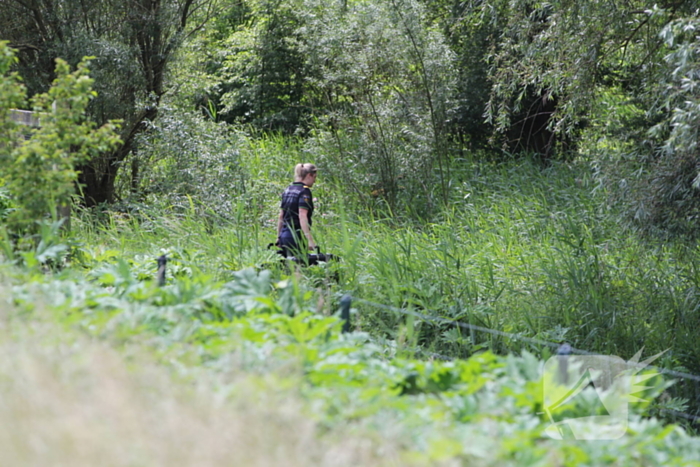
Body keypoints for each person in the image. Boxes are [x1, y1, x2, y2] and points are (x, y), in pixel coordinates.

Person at [277, 163, 318, 258]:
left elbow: (281, 215)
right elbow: (302, 216)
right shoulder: (304, 192)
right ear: (309, 175)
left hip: (284, 236)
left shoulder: (288, 190)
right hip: (296, 237)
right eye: (314, 177)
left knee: (289, 268)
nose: (314, 181)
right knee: (300, 268)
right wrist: (310, 240)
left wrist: (278, 237)